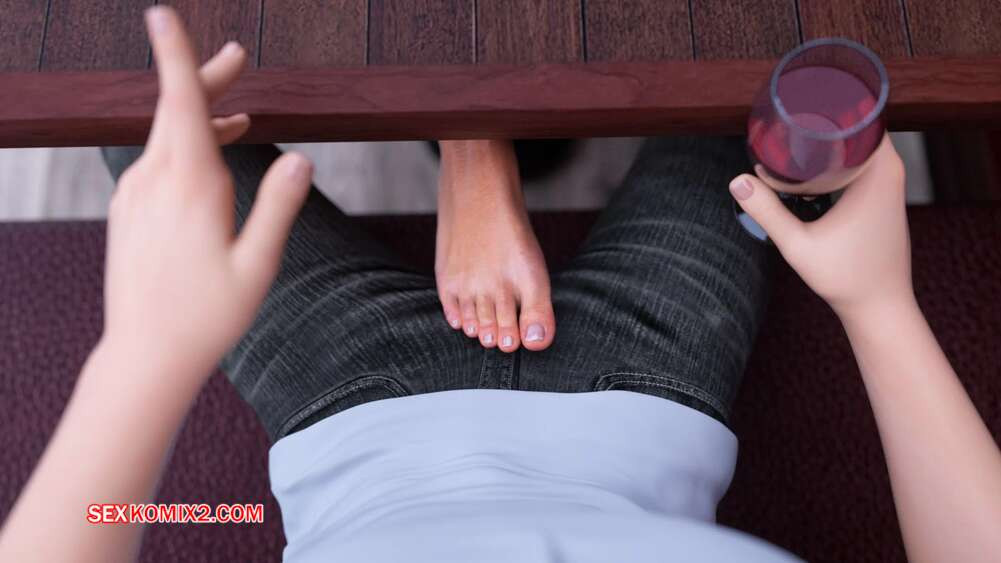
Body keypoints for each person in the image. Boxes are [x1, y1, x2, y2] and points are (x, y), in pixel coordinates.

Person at [1, 7, 1000, 562]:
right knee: (755, 55)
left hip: (344, 415)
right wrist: (879, 302)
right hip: (646, 398)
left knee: (136, 101)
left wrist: (147, 363)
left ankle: (475, 134)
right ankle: (479, 130)